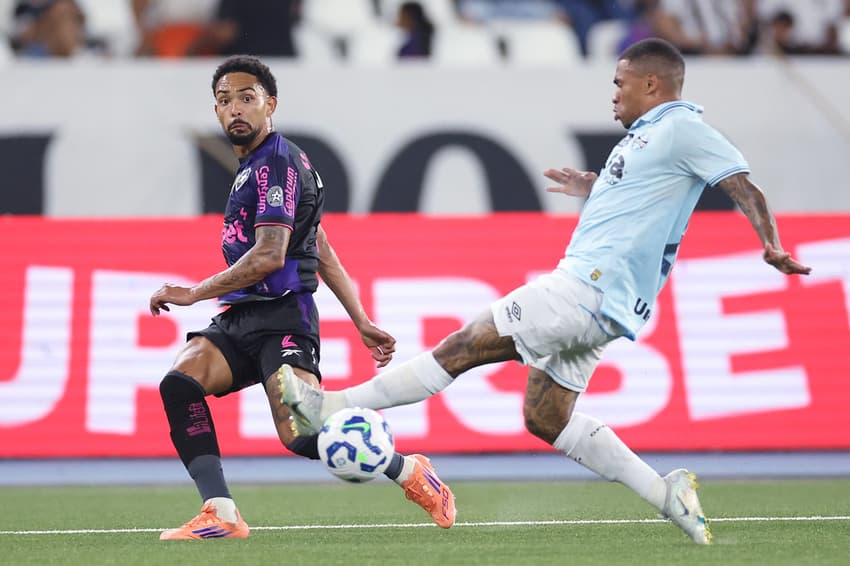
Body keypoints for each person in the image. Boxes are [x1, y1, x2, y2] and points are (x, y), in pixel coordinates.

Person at [277, 38, 812, 545]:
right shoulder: (649, 137)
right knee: (546, 417)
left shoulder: (683, 128)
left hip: (585, 287)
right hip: (606, 305)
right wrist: (595, 187)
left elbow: (742, 183)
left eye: (620, 82)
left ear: (652, 83)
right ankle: (665, 494)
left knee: (462, 347)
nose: (614, 93)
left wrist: (770, 243)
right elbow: (644, 198)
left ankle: (329, 406)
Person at [149, 55, 456, 540]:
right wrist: (361, 319)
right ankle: (221, 512)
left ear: (270, 104)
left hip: (283, 318)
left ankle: (409, 469)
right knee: (180, 384)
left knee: (303, 433)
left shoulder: (276, 162)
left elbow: (270, 255)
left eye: (247, 98)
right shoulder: (257, 165)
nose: (235, 109)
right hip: (240, 315)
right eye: (225, 100)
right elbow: (321, 246)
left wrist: (193, 293)